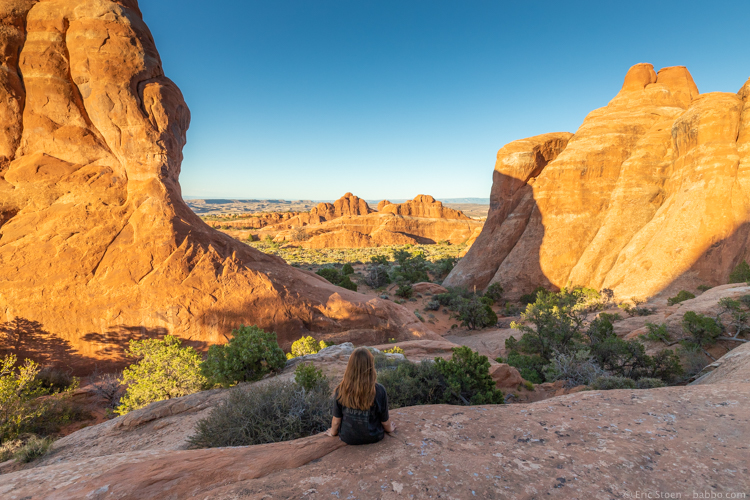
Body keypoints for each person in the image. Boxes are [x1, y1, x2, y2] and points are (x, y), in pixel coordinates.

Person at [326, 347, 395, 445]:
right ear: (370, 365)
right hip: (374, 437)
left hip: (348, 438)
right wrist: (390, 429)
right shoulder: (379, 390)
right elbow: (385, 422)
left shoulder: (341, 390)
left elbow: (336, 421)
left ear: (350, 366)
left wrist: (333, 433)